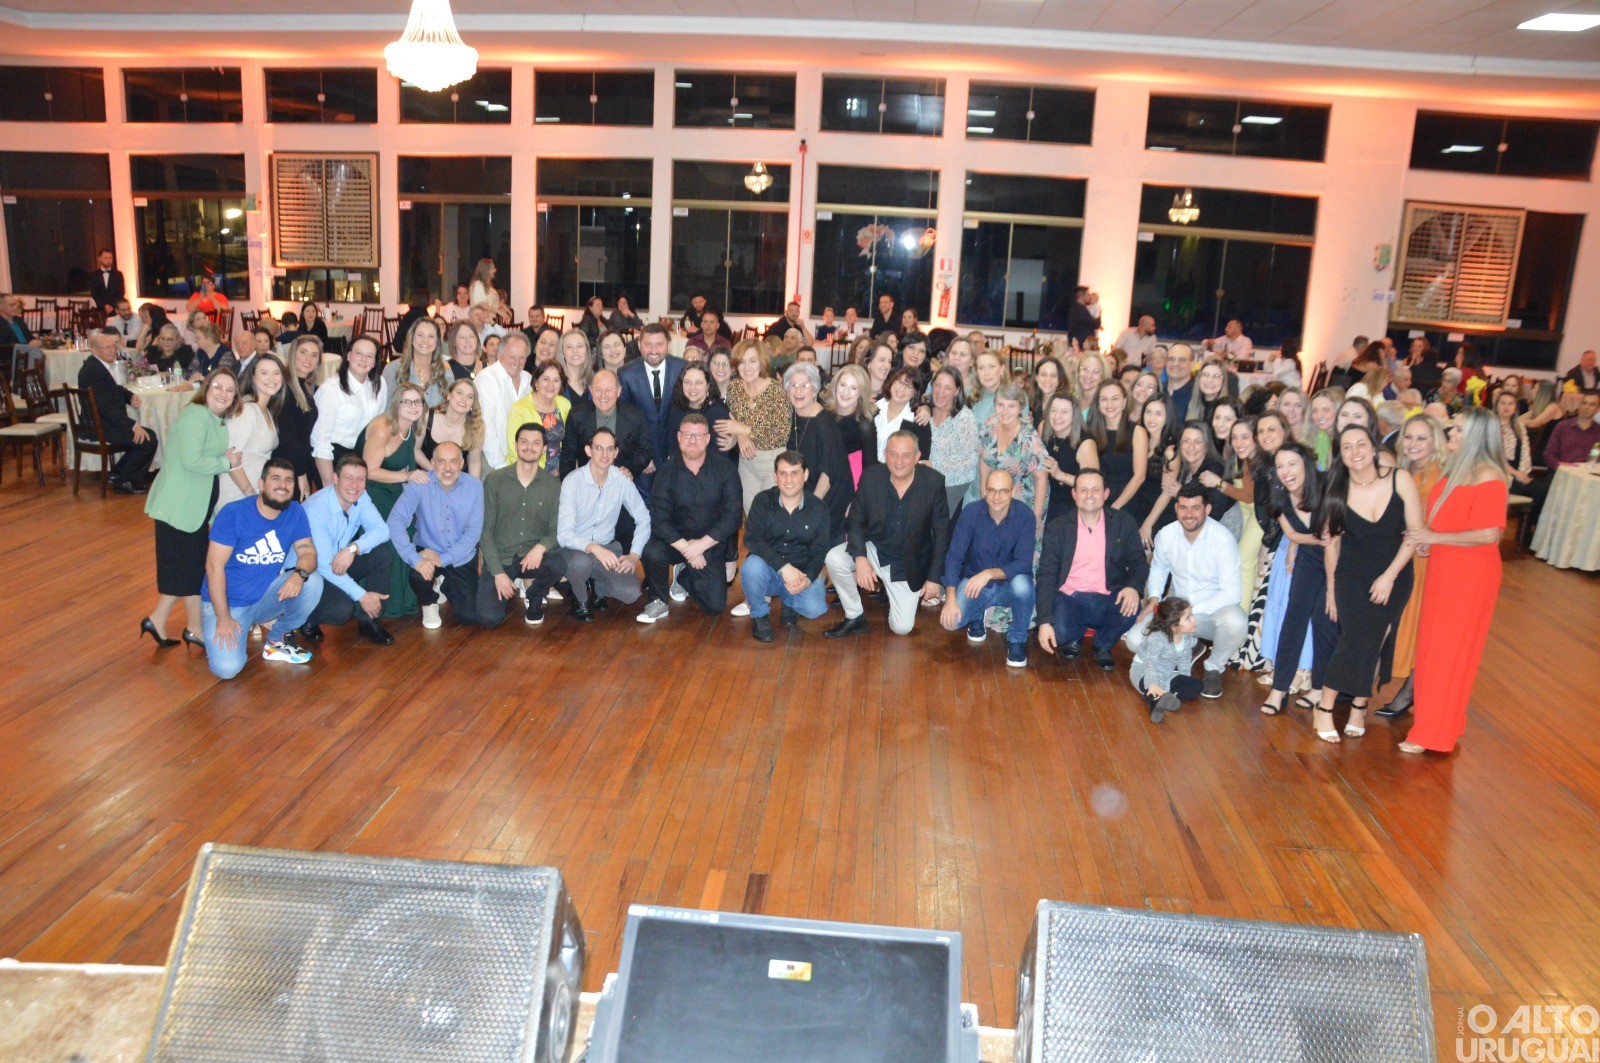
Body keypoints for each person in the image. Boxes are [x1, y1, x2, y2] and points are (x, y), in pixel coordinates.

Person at [1401, 407, 1510, 756]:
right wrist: (1429, 540)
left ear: (1477, 436)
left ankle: (1432, 732)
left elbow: (1489, 534)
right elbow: (1446, 520)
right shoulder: (1458, 468)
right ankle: (1442, 720)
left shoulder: (1490, 476)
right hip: (1445, 566)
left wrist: (1434, 538)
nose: (1450, 433)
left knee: (1448, 651)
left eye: (1458, 429)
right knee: (1433, 647)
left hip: (1470, 574)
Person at [1309, 425, 1422, 743]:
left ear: (1373, 448)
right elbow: (1330, 544)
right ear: (1340, 455)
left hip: (1395, 575)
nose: (1355, 451)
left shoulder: (1400, 479)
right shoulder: (1337, 490)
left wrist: (1390, 576)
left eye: (1361, 444)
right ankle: (1325, 707)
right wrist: (1331, 589)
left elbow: (1415, 533)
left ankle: (1359, 705)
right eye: (1347, 447)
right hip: (1351, 577)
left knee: (1375, 642)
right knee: (1355, 641)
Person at [140, 368, 245, 649]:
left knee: (188, 569)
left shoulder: (214, 419)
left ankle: (161, 620)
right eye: (218, 388)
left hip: (193, 508)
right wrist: (228, 463)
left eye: (229, 390)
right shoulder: (196, 415)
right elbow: (192, 461)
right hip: (178, 505)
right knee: (188, 570)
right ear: (206, 389)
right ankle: (192, 628)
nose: (223, 394)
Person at [200, 459, 323, 678]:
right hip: (228, 604)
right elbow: (213, 567)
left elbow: (308, 553)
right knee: (227, 670)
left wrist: (299, 574)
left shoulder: (295, 512)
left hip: (264, 596)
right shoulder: (234, 513)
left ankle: (277, 639)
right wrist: (223, 617)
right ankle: (219, 628)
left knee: (312, 581)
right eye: (275, 479)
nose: (283, 485)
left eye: (288, 481)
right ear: (261, 484)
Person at [824, 430, 949, 638]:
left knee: (901, 628)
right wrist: (861, 558)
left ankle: (892, 593)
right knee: (834, 558)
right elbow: (854, 519)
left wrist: (934, 578)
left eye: (906, 455)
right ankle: (855, 615)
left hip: (907, 562)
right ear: (885, 454)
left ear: (917, 457)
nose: (899, 461)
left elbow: (942, 533)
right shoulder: (872, 476)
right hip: (876, 549)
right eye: (893, 454)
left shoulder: (933, 483)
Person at [1128, 482, 1245, 698]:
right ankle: (1189, 646)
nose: (1188, 514)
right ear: (1176, 508)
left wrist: (1188, 612)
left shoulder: (1222, 539)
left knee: (1236, 620)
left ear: (1207, 509)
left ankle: (1213, 666)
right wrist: (1154, 599)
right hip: (1176, 612)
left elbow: (1232, 593)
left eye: (1195, 508)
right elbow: (1159, 571)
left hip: (1210, 613)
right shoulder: (1167, 534)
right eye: (1183, 507)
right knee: (1134, 641)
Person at [1033, 468, 1148, 670]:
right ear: (1074, 494)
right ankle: (1072, 637)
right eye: (1083, 490)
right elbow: (1047, 575)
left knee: (1132, 607)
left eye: (1095, 490)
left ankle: (1102, 645)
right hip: (1070, 597)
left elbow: (1139, 561)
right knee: (1058, 633)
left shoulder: (1124, 522)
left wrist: (1133, 587)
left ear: (1105, 494)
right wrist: (1043, 621)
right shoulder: (1057, 527)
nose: (1089, 495)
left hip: (1108, 596)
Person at [638, 413, 743, 623]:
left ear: (707, 439)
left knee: (714, 606)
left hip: (710, 542)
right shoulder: (667, 471)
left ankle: (683, 575)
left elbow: (732, 516)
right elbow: (659, 519)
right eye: (687, 435)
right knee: (651, 550)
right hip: (676, 542)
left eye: (698, 435)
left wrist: (701, 546)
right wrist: (688, 549)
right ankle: (658, 601)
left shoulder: (725, 469)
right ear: (678, 437)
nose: (692, 441)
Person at [1256, 443, 1336, 716]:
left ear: (1306, 465)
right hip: (1309, 557)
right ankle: (1279, 690)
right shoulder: (1279, 497)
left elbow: (1333, 537)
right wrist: (1311, 540)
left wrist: (1317, 540)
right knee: (1293, 620)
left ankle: (1319, 687)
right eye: (1280, 466)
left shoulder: (1326, 486)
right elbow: (1293, 534)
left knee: (1325, 622)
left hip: (1338, 559)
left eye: (1292, 464)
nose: (1286, 472)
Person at [1376, 414, 1446, 718]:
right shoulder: (1406, 471)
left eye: (1422, 438)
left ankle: (1411, 690)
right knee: (1405, 624)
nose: (1414, 444)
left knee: (1420, 626)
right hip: (1405, 555)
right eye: (1410, 437)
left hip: (1428, 560)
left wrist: (1430, 536)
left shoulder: (1441, 475)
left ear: (1435, 442)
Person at [939, 470, 1037, 667]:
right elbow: (954, 555)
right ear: (985, 491)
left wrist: (989, 573)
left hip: (1010, 584)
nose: (997, 497)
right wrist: (950, 598)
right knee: (950, 623)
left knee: (1024, 586)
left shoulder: (1026, 516)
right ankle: (977, 616)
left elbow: (1024, 563)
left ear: (1014, 491)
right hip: (976, 585)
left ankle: (1017, 640)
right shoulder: (971, 512)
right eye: (992, 490)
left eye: (1003, 491)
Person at [298, 452, 395, 645]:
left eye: (360, 479)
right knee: (341, 610)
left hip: (337, 561)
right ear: (335, 479)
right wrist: (363, 596)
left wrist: (353, 548)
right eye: (348, 478)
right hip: (310, 573)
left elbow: (382, 530)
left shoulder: (361, 497)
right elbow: (324, 565)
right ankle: (305, 617)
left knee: (382, 554)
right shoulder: (317, 509)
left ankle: (370, 621)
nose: (354, 485)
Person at [385, 441, 484, 629]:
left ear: (462, 464)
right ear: (432, 462)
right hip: (427, 549)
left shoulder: (475, 487)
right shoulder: (419, 484)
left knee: (469, 616)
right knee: (418, 575)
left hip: (460, 555)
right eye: (441, 461)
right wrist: (414, 558)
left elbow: (473, 533)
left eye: (453, 461)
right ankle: (429, 601)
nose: (447, 468)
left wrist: (443, 559)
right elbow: (395, 521)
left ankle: (444, 584)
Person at [478, 422, 568, 628]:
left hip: (532, 558)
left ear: (544, 449)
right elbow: (485, 533)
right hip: (502, 558)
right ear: (516, 444)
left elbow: (556, 530)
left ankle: (534, 594)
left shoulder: (553, 485)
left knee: (558, 563)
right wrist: (498, 573)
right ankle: (512, 581)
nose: (529, 447)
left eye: (536, 443)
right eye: (524, 441)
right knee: (489, 619)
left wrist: (540, 548)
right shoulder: (495, 480)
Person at [557, 427, 652, 619]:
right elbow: (564, 535)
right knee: (581, 562)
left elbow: (644, 518)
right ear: (588, 450)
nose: (604, 454)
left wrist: (634, 555)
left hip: (608, 548)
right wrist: (593, 548)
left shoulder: (622, 480)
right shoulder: (572, 481)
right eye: (599, 448)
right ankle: (580, 598)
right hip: (576, 549)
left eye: (610, 449)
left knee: (631, 594)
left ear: (616, 452)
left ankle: (598, 588)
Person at [355, 381, 430, 618]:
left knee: (406, 530)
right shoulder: (382, 428)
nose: (412, 406)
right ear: (396, 404)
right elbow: (368, 471)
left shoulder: (412, 427)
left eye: (417, 401)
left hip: (394, 487)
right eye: (406, 401)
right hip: (370, 492)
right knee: (389, 537)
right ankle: (380, 606)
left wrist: (432, 474)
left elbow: (413, 455)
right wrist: (407, 475)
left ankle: (402, 601)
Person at [740, 450, 833, 642]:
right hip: (770, 570)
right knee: (751, 567)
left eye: (795, 473)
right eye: (783, 473)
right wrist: (784, 567)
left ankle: (790, 601)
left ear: (805, 475)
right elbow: (752, 539)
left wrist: (807, 580)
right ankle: (759, 615)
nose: (788, 480)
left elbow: (819, 551)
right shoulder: (762, 501)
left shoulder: (819, 509)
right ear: (775, 477)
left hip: (800, 574)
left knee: (815, 609)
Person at [77, 330, 158, 494]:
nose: (112, 351)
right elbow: (106, 407)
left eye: (113, 347)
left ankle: (118, 474)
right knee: (148, 439)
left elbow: (114, 390)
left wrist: (130, 396)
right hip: (100, 426)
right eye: (107, 348)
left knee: (147, 436)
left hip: (104, 422)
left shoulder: (98, 366)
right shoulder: (94, 370)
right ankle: (125, 480)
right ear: (94, 350)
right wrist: (133, 425)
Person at [718, 338, 793, 513]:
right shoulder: (734, 388)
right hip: (746, 463)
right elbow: (732, 421)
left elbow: (780, 435)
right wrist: (741, 436)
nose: (747, 367)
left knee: (769, 515)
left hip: (773, 461)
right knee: (752, 517)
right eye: (742, 362)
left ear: (762, 362)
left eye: (753, 361)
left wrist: (743, 430)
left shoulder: (776, 391)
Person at [782, 362, 851, 543]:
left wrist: (807, 508)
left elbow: (828, 475)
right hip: (802, 491)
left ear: (814, 390)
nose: (798, 390)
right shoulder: (792, 415)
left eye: (805, 385)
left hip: (827, 499)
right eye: (793, 385)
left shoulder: (823, 424)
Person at [617, 323, 686, 491]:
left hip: (676, 453)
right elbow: (625, 420)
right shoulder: (626, 373)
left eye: (659, 344)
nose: (653, 350)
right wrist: (641, 457)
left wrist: (677, 452)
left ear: (669, 345)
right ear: (639, 345)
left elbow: (686, 413)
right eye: (648, 344)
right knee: (646, 508)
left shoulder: (682, 368)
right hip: (644, 457)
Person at [311, 336, 387, 486]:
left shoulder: (380, 384)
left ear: (374, 362)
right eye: (358, 353)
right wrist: (329, 486)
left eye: (369, 356)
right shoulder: (330, 389)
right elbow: (321, 443)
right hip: (334, 457)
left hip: (366, 455)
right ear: (348, 356)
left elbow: (380, 423)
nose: (363, 359)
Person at [560, 368, 653, 484]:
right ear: (591, 390)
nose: (603, 395)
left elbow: (646, 450)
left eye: (609, 390)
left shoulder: (634, 416)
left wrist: (631, 470)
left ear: (618, 391)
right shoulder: (577, 415)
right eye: (598, 390)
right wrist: (569, 485)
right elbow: (567, 457)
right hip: (586, 484)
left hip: (621, 483)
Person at [218, 352, 284, 506]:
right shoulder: (248, 410)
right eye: (264, 373)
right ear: (253, 378)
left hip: (254, 488)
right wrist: (251, 496)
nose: (272, 379)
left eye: (276, 373)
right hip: (238, 493)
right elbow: (232, 460)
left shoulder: (266, 409)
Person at [1127, 597, 1204, 723]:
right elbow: (1149, 663)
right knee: (1150, 690)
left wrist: (1185, 679)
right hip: (1144, 672)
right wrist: (1152, 684)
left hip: (1167, 673)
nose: (1194, 620)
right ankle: (1155, 702)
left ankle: (1167, 699)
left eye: (1192, 615)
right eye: (1188, 617)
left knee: (1197, 685)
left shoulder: (1187, 637)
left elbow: (1185, 660)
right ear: (1174, 626)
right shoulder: (1157, 638)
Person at [272, 336, 323, 499]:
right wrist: (301, 475)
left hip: (299, 462)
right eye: (303, 352)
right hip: (286, 468)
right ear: (293, 354)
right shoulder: (285, 387)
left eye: (314, 355)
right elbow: (287, 436)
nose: (308, 359)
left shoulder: (303, 386)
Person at [475, 329, 533, 471]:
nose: (517, 362)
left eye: (522, 357)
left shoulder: (528, 379)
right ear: (499, 354)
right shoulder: (487, 378)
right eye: (512, 356)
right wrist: (501, 466)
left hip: (521, 461)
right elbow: (487, 427)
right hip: (493, 462)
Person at [926, 367, 979, 518]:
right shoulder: (925, 411)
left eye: (948, 388)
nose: (941, 391)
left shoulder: (964, 417)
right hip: (926, 480)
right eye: (938, 385)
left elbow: (970, 460)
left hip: (953, 482)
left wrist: (935, 466)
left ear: (956, 391)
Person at [506, 363, 569, 472]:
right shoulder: (519, 409)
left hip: (560, 473)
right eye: (546, 379)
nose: (551, 384)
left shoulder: (565, 405)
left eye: (556, 380)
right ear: (536, 382)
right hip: (530, 473)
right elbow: (513, 451)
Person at [665, 362, 731, 464]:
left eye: (699, 382)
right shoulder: (676, 409)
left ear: (708, 385)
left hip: (712, 473)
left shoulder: (719, 412)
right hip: (680, 471)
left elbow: (719, 457)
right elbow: (673, 447)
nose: (692, 387)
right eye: (687, 382)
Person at [382, 315, 449, 407]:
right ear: (412, 339)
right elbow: (386, 409)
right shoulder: (393, 369)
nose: (425, 340)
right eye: (420, 335)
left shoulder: (446, 373)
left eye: (431, 336)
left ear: (437, 342)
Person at [469, 258, 511, 324]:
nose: (495, 270)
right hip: (481, 322)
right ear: (486, 270)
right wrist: (498, 311)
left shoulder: (489, 287)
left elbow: (490, 303)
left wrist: (502, 306)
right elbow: (481, 304)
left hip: (490, 321)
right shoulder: (478, 285)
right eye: (492, 268)